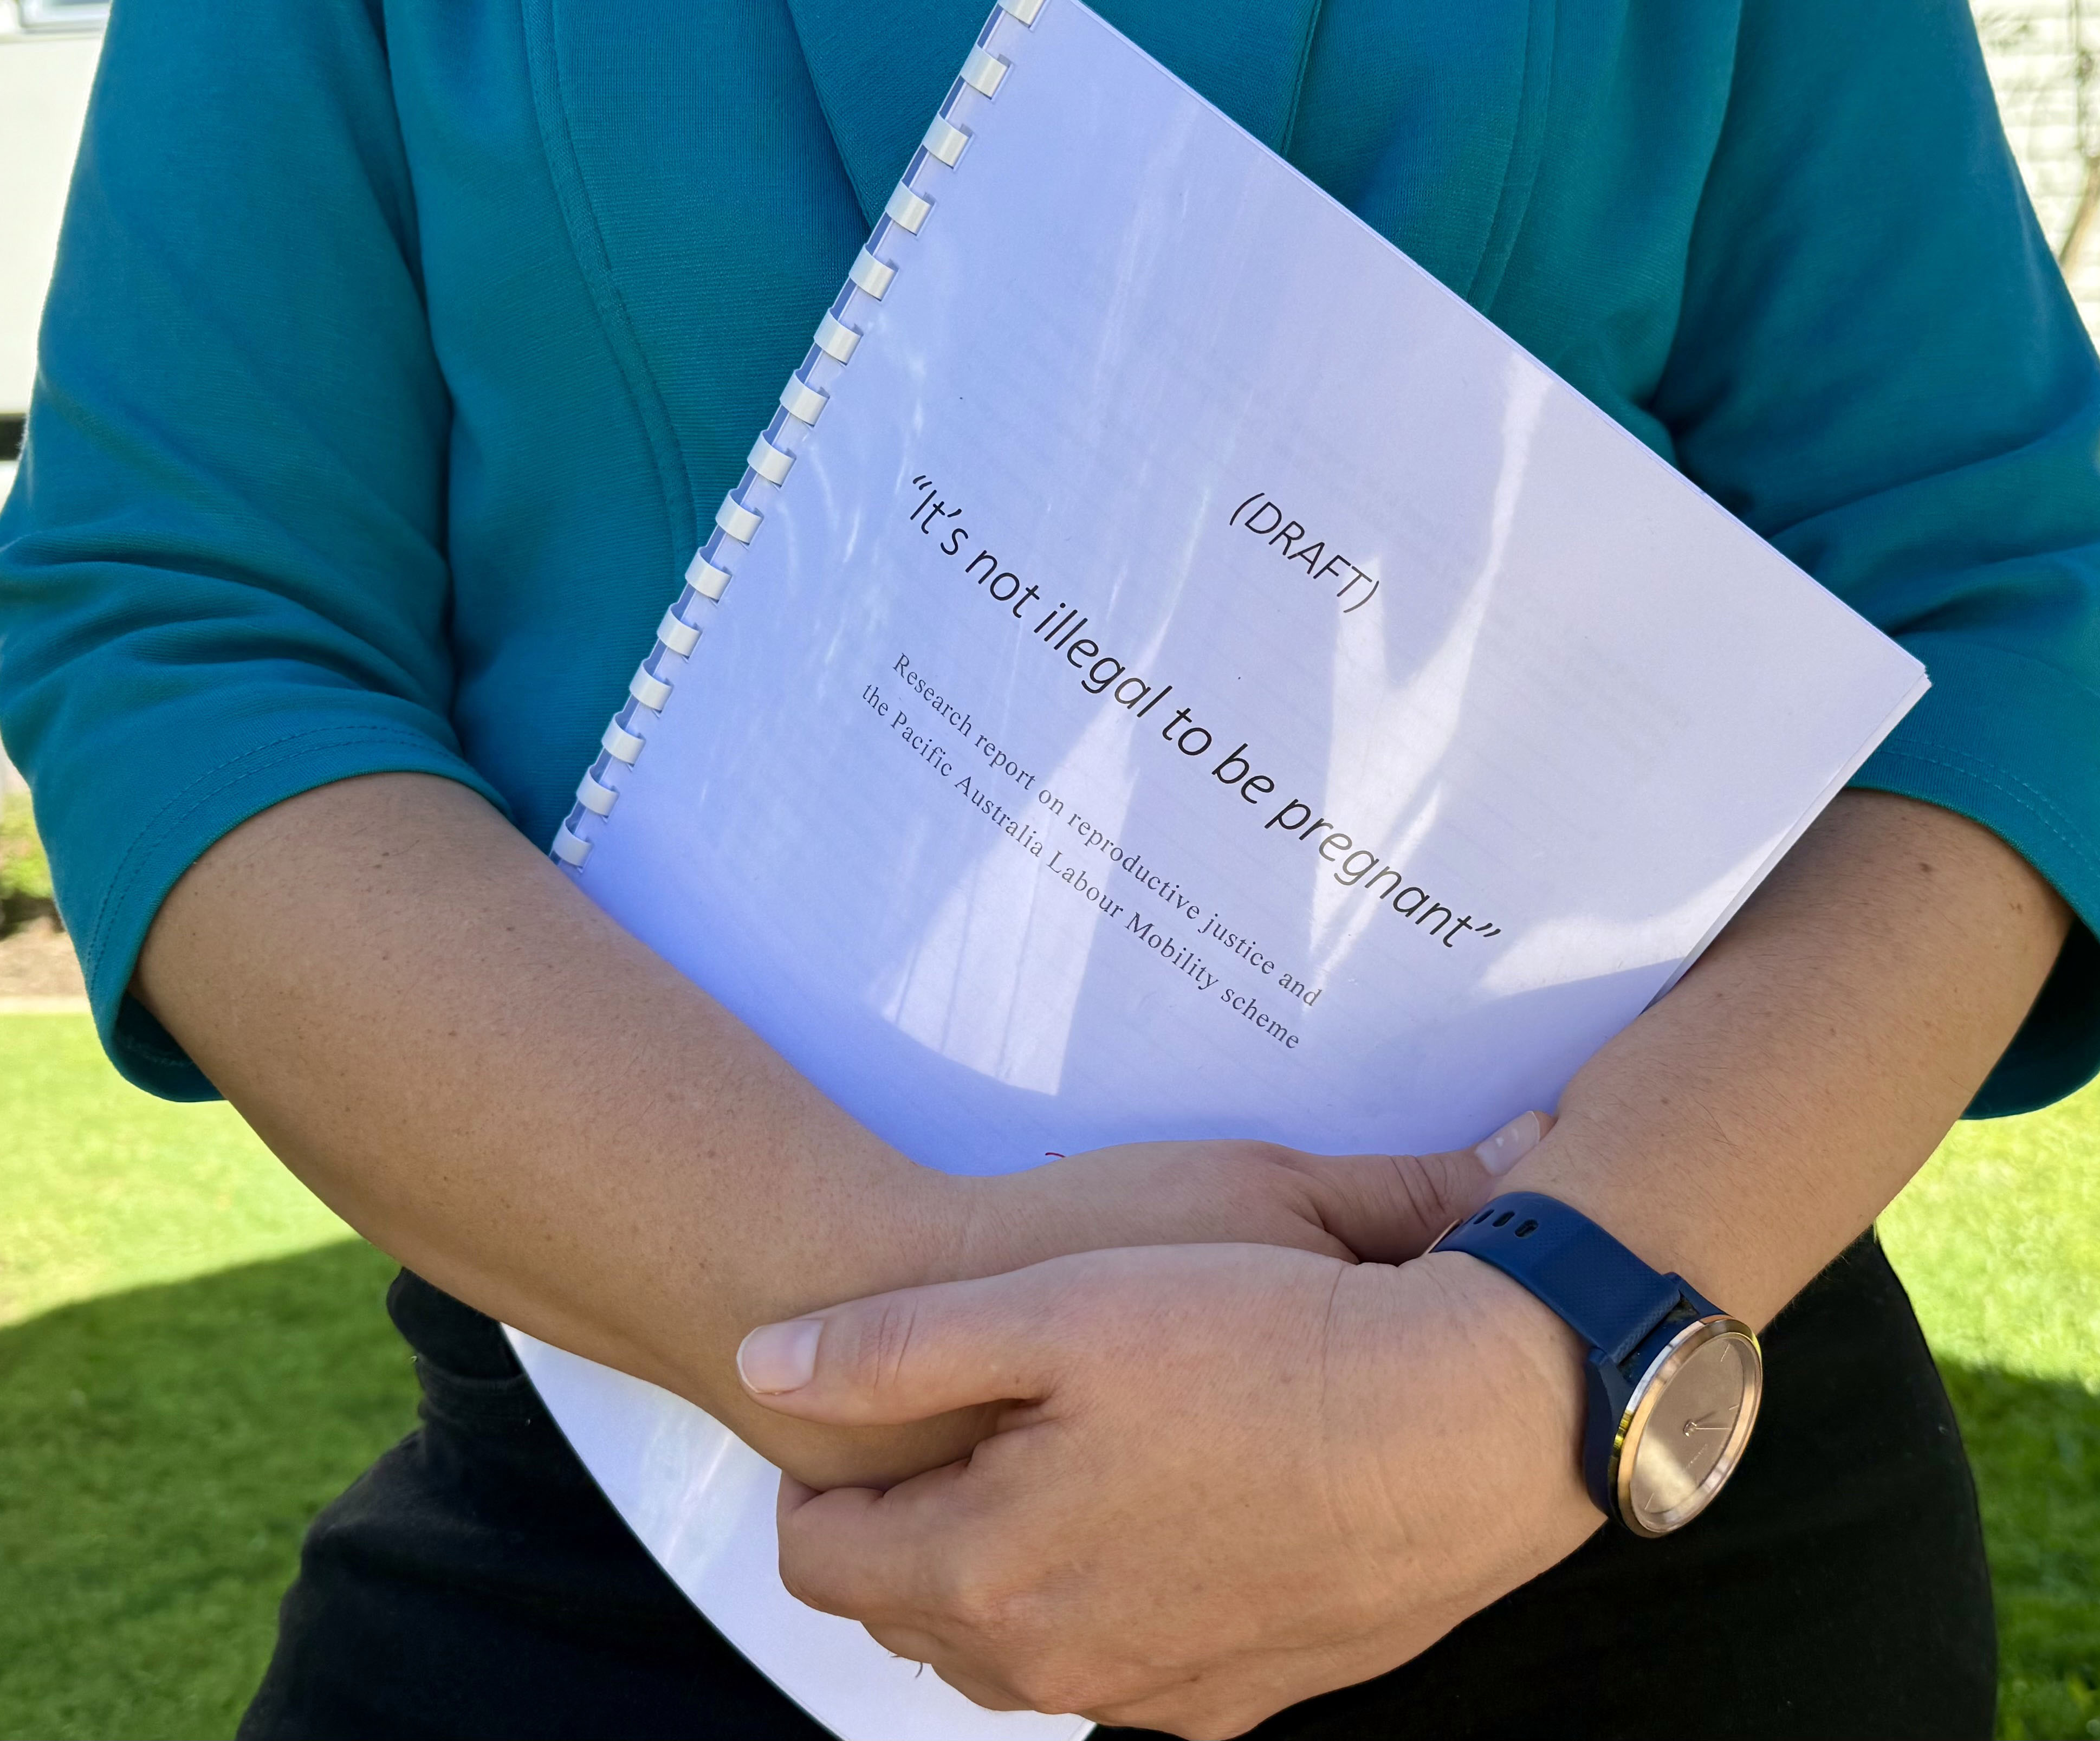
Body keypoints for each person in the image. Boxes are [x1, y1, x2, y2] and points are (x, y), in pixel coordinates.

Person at [3, 0, 2097, 1734]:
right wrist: (849, 1294)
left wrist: (1533, 1355)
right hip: (655, 1490)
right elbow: (194, 629)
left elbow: (2007, 599)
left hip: (1603, 1475)